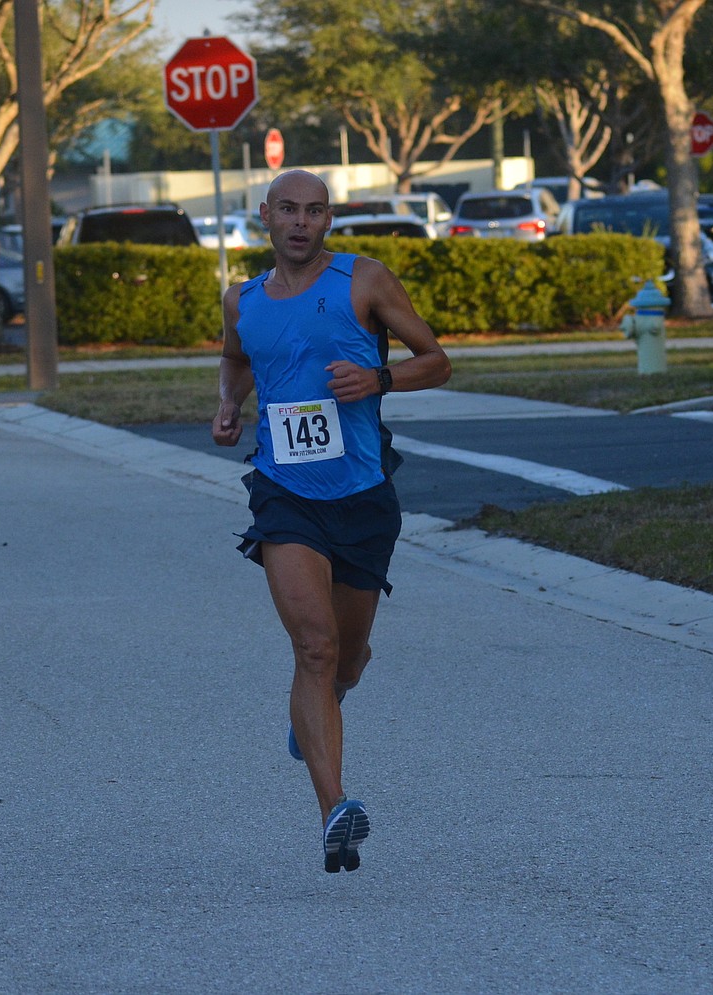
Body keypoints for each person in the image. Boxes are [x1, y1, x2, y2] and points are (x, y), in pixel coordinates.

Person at [212, 169, 451, 873]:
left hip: (362, 494)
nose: (300, 222)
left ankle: (324, 706)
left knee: (347, 658)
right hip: (284, 492)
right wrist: (228, 403)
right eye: (287, 209)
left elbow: (437, 361)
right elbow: (234, 360)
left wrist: (378, 379)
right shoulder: (243, 300)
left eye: (314, 211)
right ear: (265, 216)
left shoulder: (364, 281)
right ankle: (333, 809)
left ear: (327, 220)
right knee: (313, 648)